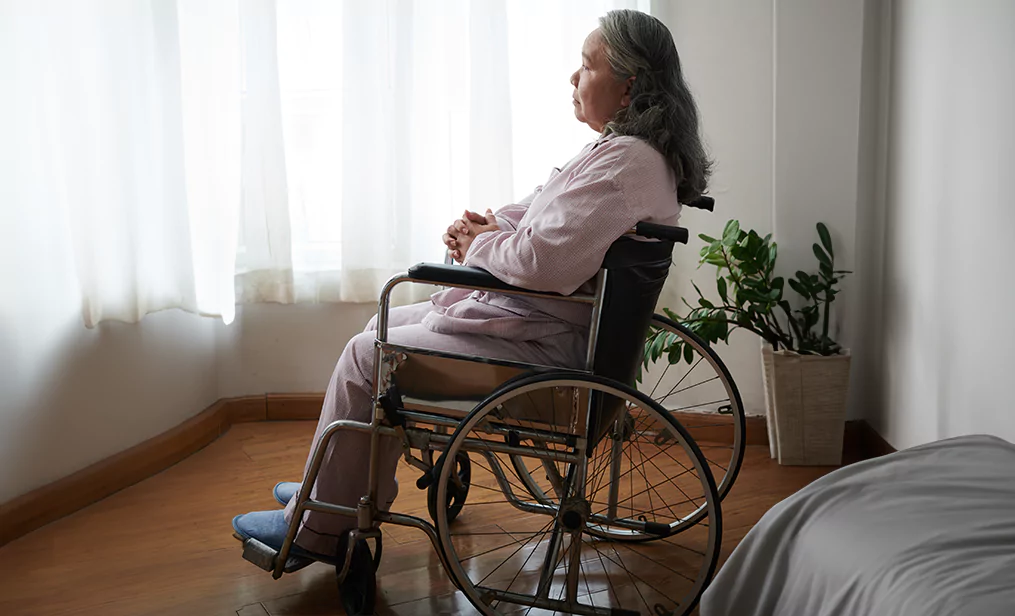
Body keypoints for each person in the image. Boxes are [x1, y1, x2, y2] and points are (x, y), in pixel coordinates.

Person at [232, 8, 711, 566]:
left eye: (585, 67)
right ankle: (341, 496)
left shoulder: (626, 164)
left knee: (369, 353)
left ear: (628, 86)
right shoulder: (624, 153)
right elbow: (541, 216)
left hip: (544, 353)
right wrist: (489, 228)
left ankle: (320, 528)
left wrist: (477, 247)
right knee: (379, 332)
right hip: (540, 328)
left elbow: (542, 261)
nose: (573, 79)